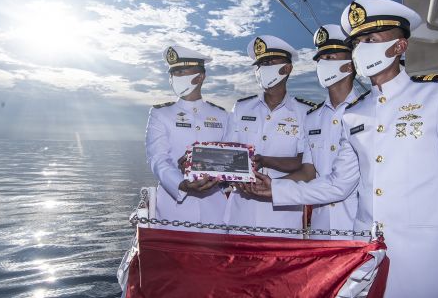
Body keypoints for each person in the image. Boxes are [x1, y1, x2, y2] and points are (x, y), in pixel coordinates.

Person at [248, 0, 438, 297]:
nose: (362, 47)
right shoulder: (356, 113)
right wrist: (275, 188)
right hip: (365, 260)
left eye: (371, 39)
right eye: (357, 42)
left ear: (400, 46)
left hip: (423, 265)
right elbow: (339, 184)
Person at [224, 35, 315, 237]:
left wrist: (265, 160)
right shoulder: (241, 108)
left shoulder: (306, 113)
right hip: (241, 216)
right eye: (260, 64)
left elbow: (304, 163)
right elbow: (227, 154)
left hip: (283, 220)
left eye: (269, 63)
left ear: (287, 68)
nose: (262, 69)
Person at [283, 24, 364, 239]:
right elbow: (309, 172)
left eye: (330, 57)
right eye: (320, 59)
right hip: (321, 228)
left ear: (349, 65)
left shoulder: (368, 111)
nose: (322, 64)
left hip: (358, 226)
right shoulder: (312, 118)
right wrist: (271, 185)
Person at [145, 46, 229, 231]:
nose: (175, 77)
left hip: (214, 213)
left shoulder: (222, 116)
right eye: (173, 73)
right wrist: (182, 184)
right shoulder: (161, 114)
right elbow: (158, 158)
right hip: (173, 213)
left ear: (200, 77)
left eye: (181, 72)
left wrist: (222, 178)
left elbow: (230, 159)